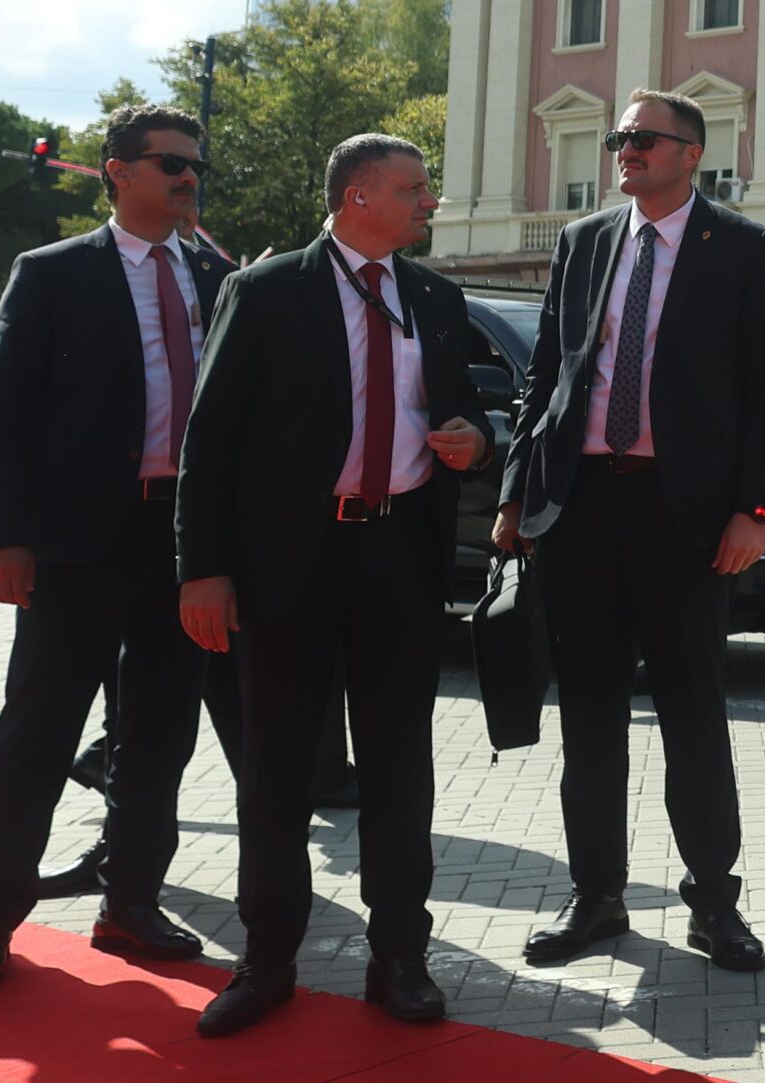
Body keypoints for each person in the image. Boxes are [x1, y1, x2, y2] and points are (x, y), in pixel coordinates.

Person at [175, 135, 494, 1036]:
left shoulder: (434, 295)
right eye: (414, 188)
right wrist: (201, 569)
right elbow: (211, 441)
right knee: (276, 767)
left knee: (401, 766)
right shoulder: (268, 290)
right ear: (358, 195)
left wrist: (475, 441)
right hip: (288, 564)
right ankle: (268, 958)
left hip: (400, 559)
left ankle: (400, 956)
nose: (430, 200)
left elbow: (459, 409)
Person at [493, 88, 765, 972]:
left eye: (644, 138)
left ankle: (714, 905)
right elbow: (544, 375)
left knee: (695, 712)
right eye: (620, 137)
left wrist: (755, 509)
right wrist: (517, 493)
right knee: (588, 714)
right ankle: (598, 897)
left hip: (686, 517)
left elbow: (763, 392)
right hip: (582, 509)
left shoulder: (741, 247)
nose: (625, 149)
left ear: (692, 152)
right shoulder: (585, 242)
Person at [0, 106, 227, 991]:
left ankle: (131, 901)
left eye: (193, 164)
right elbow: (9, 417)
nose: (187, 176)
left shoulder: (219, 278)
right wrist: (3, 536)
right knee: (38, 727)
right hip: (74, 544)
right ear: (116, 171)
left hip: (181, 542)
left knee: (158, 734)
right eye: (169, 163)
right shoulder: (54, 273)